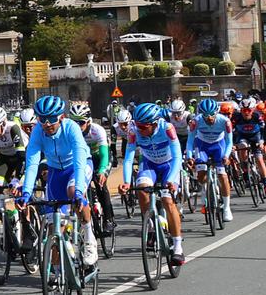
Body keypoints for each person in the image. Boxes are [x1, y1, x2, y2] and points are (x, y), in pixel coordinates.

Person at [18, 95, 99, 271]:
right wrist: (26, 193)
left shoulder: (71, 128)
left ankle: (89, 237)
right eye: (42, 119)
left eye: (52, 119)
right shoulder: (38, 132)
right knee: (54, 226)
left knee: (72, 192)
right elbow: (32, 163)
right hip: (56, 171)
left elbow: (79, 161)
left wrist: (78, 190)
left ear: (61, 117)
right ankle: (56, 279)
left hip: (78, 165)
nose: (47, 124)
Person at [121, 102, 185, 267]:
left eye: (143, 126)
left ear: (154, 123)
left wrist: (171, 180)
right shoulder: (134, 132)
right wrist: (127, 182)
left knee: (167, 200)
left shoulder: (167, 128)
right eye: (137, 125)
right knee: (142, 190)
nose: (139, 129)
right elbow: (128, 157)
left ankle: (178, 246)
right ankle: (150, 226)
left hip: (169, 165)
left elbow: (178, 156)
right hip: (149, 164)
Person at [71, 100, 117, 238]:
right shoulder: (71, 132)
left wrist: (102, 170)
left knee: (100, 184)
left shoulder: (97, 131)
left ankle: (108, 219)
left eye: (81, 123)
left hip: (100, 159)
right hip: (83, 160)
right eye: (75, 123)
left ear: (89, 122)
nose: (78, 126)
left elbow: (104, 154)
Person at [186, 98, 235, 222]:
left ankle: (226, 207)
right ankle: (205, 189)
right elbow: (190, 140)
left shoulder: (225, 121)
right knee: (201, 173)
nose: (209, 118)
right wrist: (189, 156)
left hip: (219, 145)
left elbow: (229, 142)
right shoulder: (195, 121)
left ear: (217, 112)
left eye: (212, 115)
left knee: (222, 175)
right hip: (202, 145)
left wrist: (226, 156)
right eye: (205, 115)